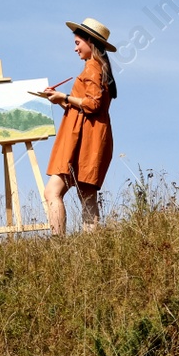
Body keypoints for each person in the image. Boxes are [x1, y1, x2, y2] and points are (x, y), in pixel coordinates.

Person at [39, 18, 117, 235]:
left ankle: (58, 243)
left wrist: (64, 96)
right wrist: (61, 99)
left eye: (77, 43)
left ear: (90, 42)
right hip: (93, 136)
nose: (75, 48)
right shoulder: (100, 67)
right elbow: (87, 104)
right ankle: (91, 249)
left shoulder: (92, 67)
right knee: (87, 194)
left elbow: (93, 104)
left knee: (52, 192)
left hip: (83, 137)